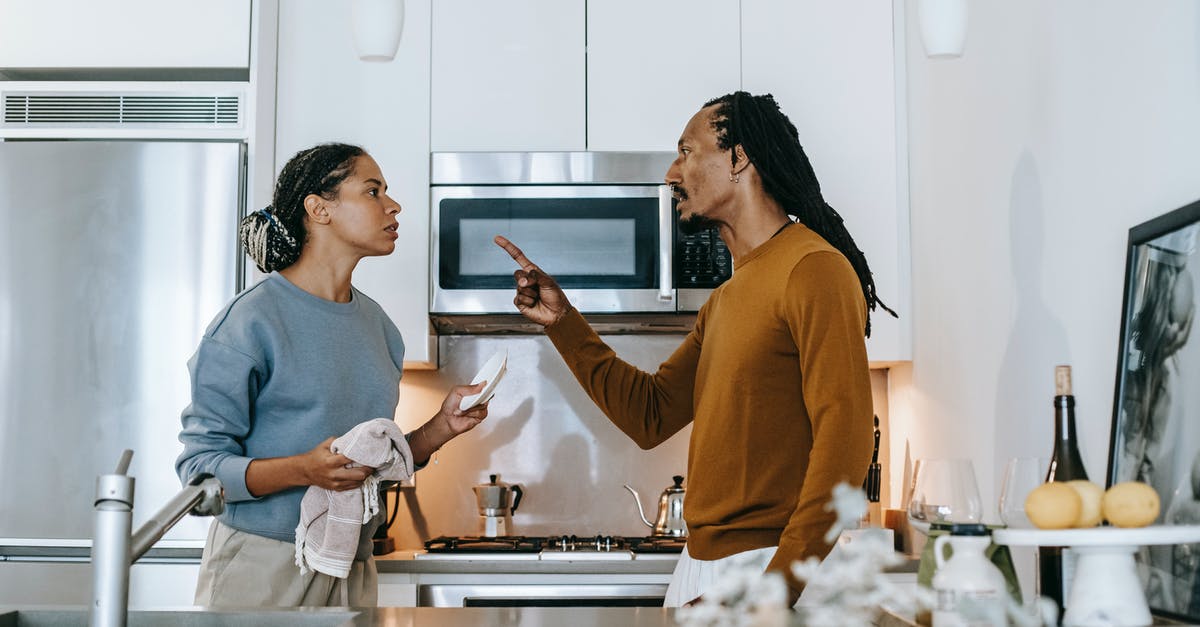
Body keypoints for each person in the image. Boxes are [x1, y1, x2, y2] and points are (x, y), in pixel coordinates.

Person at [494, 91, 894, 607]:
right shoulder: (725, 298)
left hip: (773, 572)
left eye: (686, 151)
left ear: (738, 157)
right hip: (702, 569)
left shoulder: (813, 269)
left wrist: (770, 592)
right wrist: (563, 322)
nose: (670, 173)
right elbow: (650, 414)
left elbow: (846, 443)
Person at [176, 143, 490, 608]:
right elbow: (199, 472)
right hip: (264, 565)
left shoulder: (380, 328)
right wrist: (302, 470)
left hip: (352, 563)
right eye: (372, 190)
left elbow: (370, 464)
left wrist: (441, 428)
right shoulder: (250, 322)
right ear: (319, 209)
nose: (393, 204)